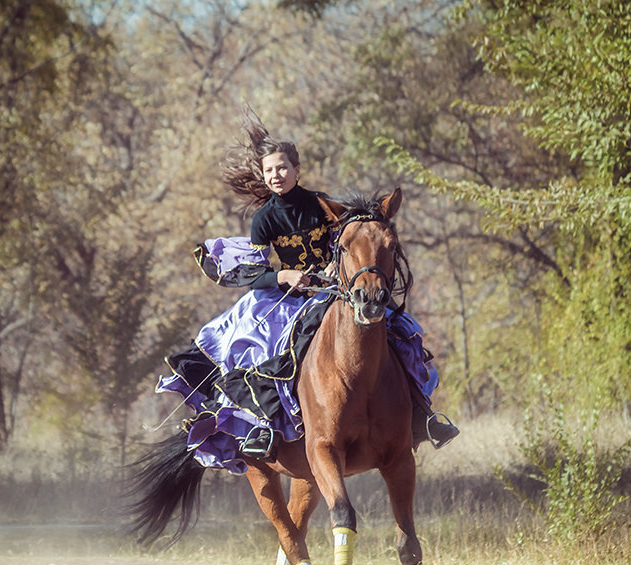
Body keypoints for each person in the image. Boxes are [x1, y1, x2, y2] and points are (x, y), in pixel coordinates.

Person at [156, 110, 457, 474]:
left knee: (401, 332)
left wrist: (334, 267)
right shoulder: (263, 219)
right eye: (269, 171)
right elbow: (254, 274)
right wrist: (283, 275)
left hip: (334, 291)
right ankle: (263, 430)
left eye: (282, 168)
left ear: (297, 170)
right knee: (259, 353)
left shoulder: (322, 205)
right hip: (285, 300)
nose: (276, 175)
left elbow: (348, 243)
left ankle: (421, 415)